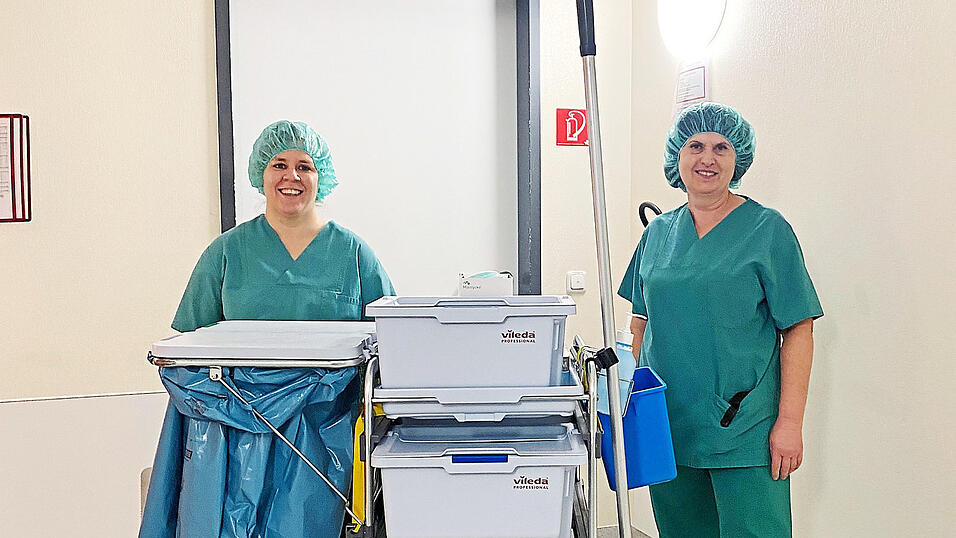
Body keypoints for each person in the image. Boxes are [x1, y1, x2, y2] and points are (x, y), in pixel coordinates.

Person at [140, 120, 394, 538]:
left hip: (324, 429)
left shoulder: (352, 253)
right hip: (229, 426)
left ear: (321, 177)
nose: (291, 177)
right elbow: (189, 347)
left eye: (304, 166)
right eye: (279, 164)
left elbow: (388, 344)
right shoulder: (226, 252)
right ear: (262, 172)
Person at [618, 103, 822, 537]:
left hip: (743, 425)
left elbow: (799, 329)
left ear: (737, 160)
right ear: (678, 156)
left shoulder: (767, 230)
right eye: (695, 146)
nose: (706, 158)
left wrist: (789, 422)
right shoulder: (657, 233)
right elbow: (639, 322)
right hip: (667, 421)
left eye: (721, 147)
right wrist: (624, 401)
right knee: (680, 530)